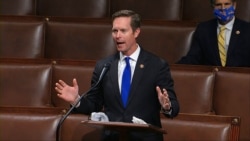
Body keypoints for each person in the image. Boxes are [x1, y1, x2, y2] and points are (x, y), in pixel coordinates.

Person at [55, 10, 179, 141]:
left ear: (136, 32)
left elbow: (174, 107)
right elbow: (94, 104)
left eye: (123, 31)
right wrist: (76, 100)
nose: (117, 36)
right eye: (115, 31)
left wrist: (167, 106)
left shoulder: (156, 65)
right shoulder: (104, 66)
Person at [177, 0, 250, 67]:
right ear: (213, 7)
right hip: (213, 78)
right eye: (218, 5)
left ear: (234, 5)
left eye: (227, 4)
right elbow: (193, 58)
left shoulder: (247, 29)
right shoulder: (203, 29)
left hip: (240, 79)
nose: (223, 8)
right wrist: (173, 69)